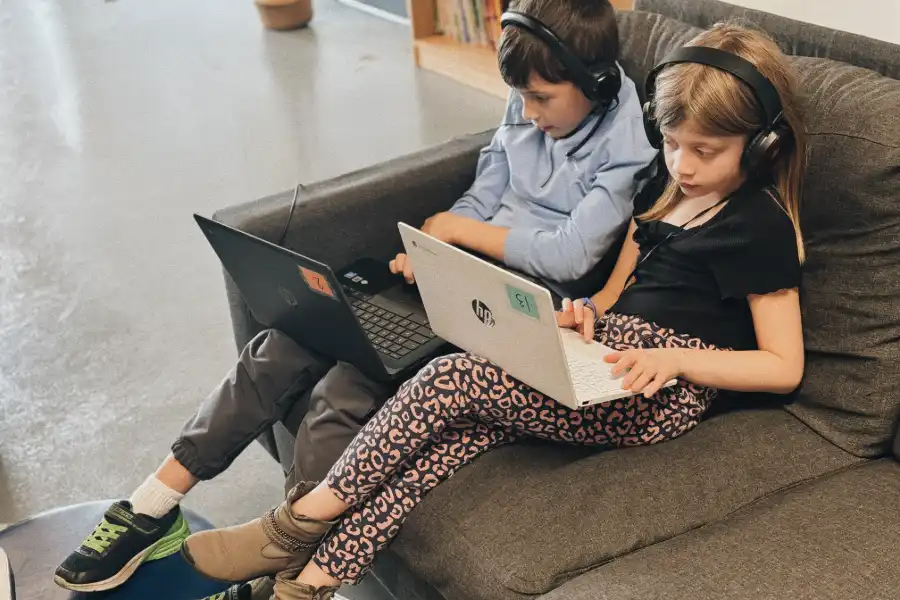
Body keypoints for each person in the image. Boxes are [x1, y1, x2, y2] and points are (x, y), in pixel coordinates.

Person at [181, 21, 809, 600]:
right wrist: (583, 315)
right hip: (604, 357)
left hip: (657, 391)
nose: (683, 164)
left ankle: (294, 524)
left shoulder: (759, 227)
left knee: (453, 377)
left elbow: (783, 366)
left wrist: (672, 360)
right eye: (671, 143)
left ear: (762, 147)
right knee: (438, 450)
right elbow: (612, 297)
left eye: (705, 151)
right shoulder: (663, 189)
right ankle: (305, 587)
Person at [53, 0, 655, 593]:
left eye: (541, 99)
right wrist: (432, 245)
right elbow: (486, 189)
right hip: (451, 275)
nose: (527, 111)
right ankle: (153, 506)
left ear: (596, 84)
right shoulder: (531, 99)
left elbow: (571, 255)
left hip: (505, 307)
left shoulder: (631, 145)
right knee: (286, 342)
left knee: (349, 384)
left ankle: (284, 560)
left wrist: (460, 235)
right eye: (519, 96)